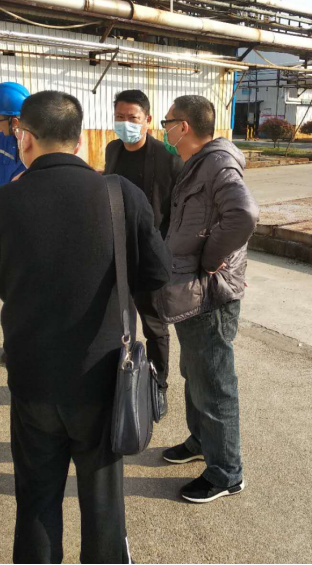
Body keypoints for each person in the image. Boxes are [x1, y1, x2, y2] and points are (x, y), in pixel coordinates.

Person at [0, 90, 172, 564]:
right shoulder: (121, 195)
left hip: (33, 379)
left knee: (36, 500)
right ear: (79, 142)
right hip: (103, 379)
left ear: (24, 138)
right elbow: (158, 274)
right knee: (103, 506)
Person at [157, 95, 259, 504]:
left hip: (209, 293)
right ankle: (201, 441)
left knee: (215, 383)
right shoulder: (197, 163)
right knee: (195, 372)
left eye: (167, 121)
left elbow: (244, 214)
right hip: (191, 289)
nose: (164, 128)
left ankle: (226, 473)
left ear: (183, 126)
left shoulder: (217, 164)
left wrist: (210, 257)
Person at [104, 89, 183, 416]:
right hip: (115, 250)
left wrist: (167, 252)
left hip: (149, 251)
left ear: (147, 120)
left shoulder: (168, 158)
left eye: (132, 118)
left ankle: (158, 384)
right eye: (119, 117)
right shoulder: (112, 150)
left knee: (154, 325)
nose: (125, 123)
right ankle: (121, 378)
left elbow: (177, 212)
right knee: (113, 320)